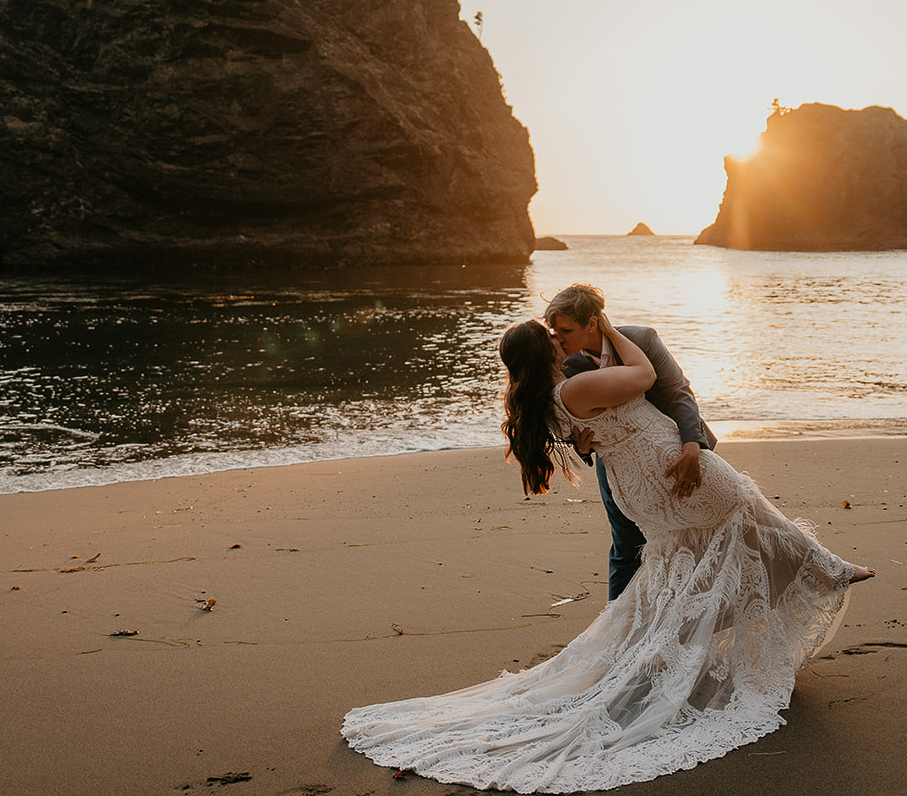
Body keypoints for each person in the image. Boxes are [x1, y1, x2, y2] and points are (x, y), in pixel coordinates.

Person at [343, 312, 875, 793]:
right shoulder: (575, 385)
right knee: (745, 512)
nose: (558, 339)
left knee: (690, 557)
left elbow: (602, 425)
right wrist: (612, 327)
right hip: (666, 469)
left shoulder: (542, 398)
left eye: (562, 330)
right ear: (545, 349)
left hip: (639, 487)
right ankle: (817, 573)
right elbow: (643, 377)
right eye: (549, 335)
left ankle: (691, 633)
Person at [542, 283, 713, 601]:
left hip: (678, 453)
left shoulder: (641, 339)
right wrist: (582, 448)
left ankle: (686, 619)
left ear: (591, 323)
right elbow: (569, 423)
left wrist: (693, 448)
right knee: (626, 547)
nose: (558, 338)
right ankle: (615, 631)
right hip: (619, 469)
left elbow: (678, 392)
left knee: (694, 539)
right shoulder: (565, 366)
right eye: (553, 329)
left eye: (565, 329)